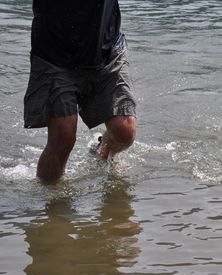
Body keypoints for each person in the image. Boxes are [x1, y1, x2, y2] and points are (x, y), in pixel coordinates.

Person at [24, 0, 137, 184]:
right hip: (55, 54)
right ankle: (51, 204)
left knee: (125, 131)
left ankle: (102, 151)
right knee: (63, 138)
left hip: (106, 49)